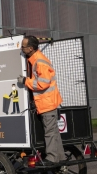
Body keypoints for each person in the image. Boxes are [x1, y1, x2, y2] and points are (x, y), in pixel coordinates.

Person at [18, 35, 65, 166]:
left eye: (23, 46)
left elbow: (43, 83)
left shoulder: (39, 61)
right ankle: (60, 157)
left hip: (47, 103)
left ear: (31, 48)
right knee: (54, 132)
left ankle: (52, 158)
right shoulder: (35, 59)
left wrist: (25, 81)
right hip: (48, 103)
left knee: (50, 132)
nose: (21, 48)